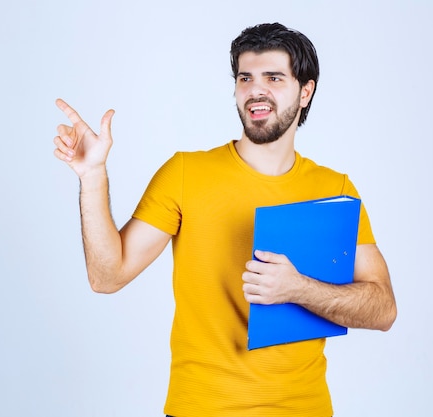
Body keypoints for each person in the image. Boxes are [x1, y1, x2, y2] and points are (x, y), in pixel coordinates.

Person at [53, 22, 397, 417]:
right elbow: (106, 276)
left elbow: (383, 308)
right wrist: (93, 175)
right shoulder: (185, 173)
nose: (255, 90)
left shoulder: (335, 189)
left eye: (274, 77)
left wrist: (299, 288)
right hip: (201, 408)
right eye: (245, 77)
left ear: (306, 91)